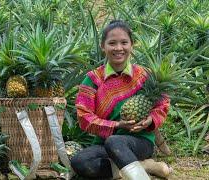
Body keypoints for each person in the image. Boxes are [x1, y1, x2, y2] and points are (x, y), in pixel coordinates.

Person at [71, 20, 171, 180]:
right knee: (79, 162)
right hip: (104, 141)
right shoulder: (92, 79)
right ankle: (146, 166)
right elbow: (84, 117)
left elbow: (163, 104)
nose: (118, 48)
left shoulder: (145, 75)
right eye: (112, 43)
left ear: (132, 45)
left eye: (124, 42)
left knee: (115, 142)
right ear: (103, 46)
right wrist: (117, 124)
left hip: (140, 141)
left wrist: (149, 120)